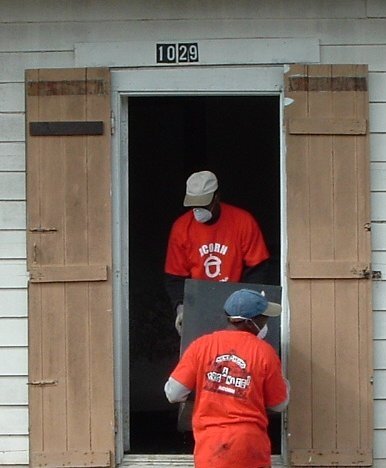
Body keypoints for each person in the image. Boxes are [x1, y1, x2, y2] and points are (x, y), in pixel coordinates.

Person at [164, 288, 289, 468]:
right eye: (264, 317)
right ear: (250, 321)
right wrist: (285, 383)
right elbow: (278, 404)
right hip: (250, 448)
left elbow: (173, 393)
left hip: (211, 449)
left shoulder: (201, 346)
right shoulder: (265, 353)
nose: (266, 321)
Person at [165, 170, 270, 334]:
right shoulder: (181, 228)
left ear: (216, 197)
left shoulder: (243, 222)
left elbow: (257, 269)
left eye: (204, 204)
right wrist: (181, 308)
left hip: (236, 304)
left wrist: (247, 306)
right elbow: (175, 277)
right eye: (195, 205)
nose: (199, 210)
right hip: (198, 305)